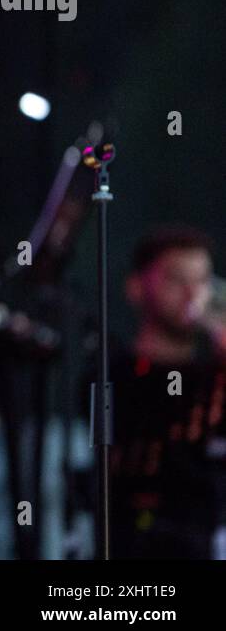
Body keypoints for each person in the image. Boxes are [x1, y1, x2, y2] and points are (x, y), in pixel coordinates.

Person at [108, 225, 226, 558]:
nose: (192, 295)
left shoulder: (215, 374)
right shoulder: (112, 376)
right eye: (176, 280)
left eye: (202, 281)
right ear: (136, 287)